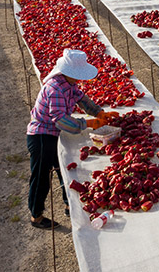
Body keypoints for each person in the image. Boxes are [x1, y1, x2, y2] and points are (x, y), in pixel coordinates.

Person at [26, 49, 119, 229]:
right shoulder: (55, 89)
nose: (80, 78)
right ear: (68, 72)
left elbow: (82, 100)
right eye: (78, 74)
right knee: (41, 177)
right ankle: (35, 216)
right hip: (41, 136)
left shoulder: (69, 84)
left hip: (53, 133)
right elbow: (61, 120)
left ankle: (69, 205)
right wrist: (89, 123)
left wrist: (99, 112)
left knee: (63, 170)